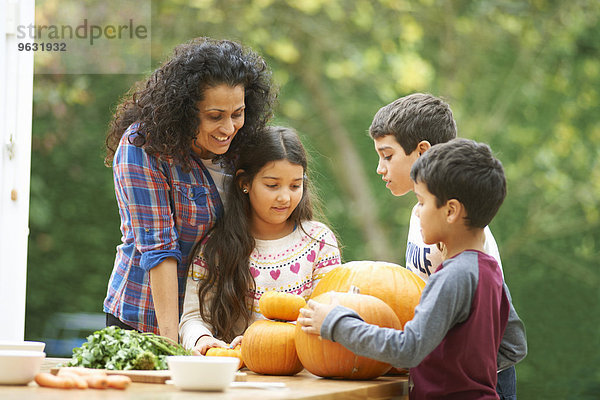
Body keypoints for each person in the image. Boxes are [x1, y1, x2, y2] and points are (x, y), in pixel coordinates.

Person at [299, 138, 528, 400]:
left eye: (421, 202)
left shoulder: (450, 276)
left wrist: (336, 322)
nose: (417, 213)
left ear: (451, 211)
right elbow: (514, 347)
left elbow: (408, 348)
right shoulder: (489, 271)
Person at [102, 37, 277, 343]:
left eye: (237, 113)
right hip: (147, 322)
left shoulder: (243, 148)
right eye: (214, 116)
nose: (228, 128)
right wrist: (172, 345)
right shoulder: (143, 148)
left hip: (214, 323)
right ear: (184, 111)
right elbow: (160, 251)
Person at [369, 93, 517, 399]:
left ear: (423, 152)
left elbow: (508, 333)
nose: (380, 168)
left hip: (478, 381)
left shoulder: (464, 234)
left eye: (387, 155)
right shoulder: (420, 218)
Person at [179, 126, 342, 354]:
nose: (285, 197)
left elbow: (327, 316)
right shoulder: (216, 248)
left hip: (306, 377)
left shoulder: (319, 242)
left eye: (295, 185)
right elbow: (193, 318)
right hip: (239, 376)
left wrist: (265, 343)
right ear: (244, 183)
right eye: (272, 185)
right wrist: (203, 340)